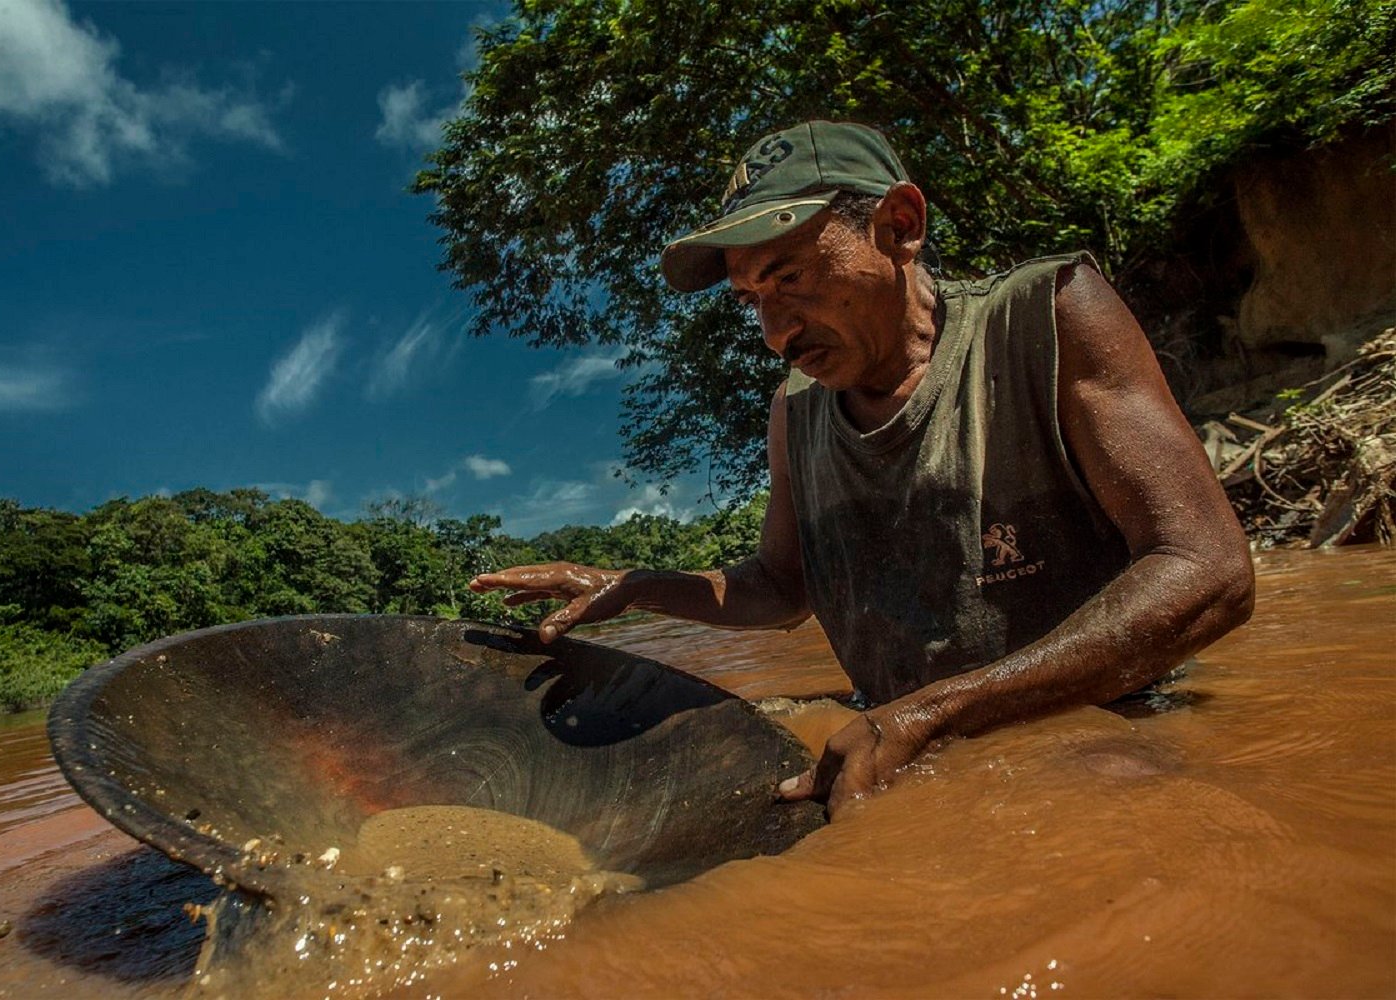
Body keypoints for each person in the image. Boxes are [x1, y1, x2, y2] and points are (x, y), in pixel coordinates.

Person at [470, 120, 1254, 818]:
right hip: (891, 740)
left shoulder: (1049, 317)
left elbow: (1208, 571)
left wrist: (928, 716)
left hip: (1098, 727)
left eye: (791, 277)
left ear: (899, 225)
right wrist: (637, 585)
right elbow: (780, 592)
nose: (775, 332)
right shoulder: (796, 412)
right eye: (750, 300)